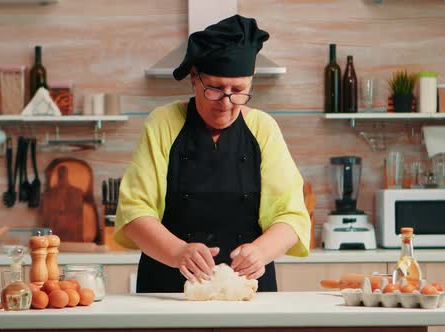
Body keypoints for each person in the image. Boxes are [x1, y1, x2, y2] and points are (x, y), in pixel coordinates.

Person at [114, 15, 310, 293]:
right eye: (215, 89)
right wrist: (177, 251)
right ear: (194, 78)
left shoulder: (263, 128)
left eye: (239, 91)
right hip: (168, 289)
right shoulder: (164, 123)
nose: (226, 103)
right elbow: (134, 213)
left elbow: (292, 215)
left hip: (247, 288)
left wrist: (261, 252)